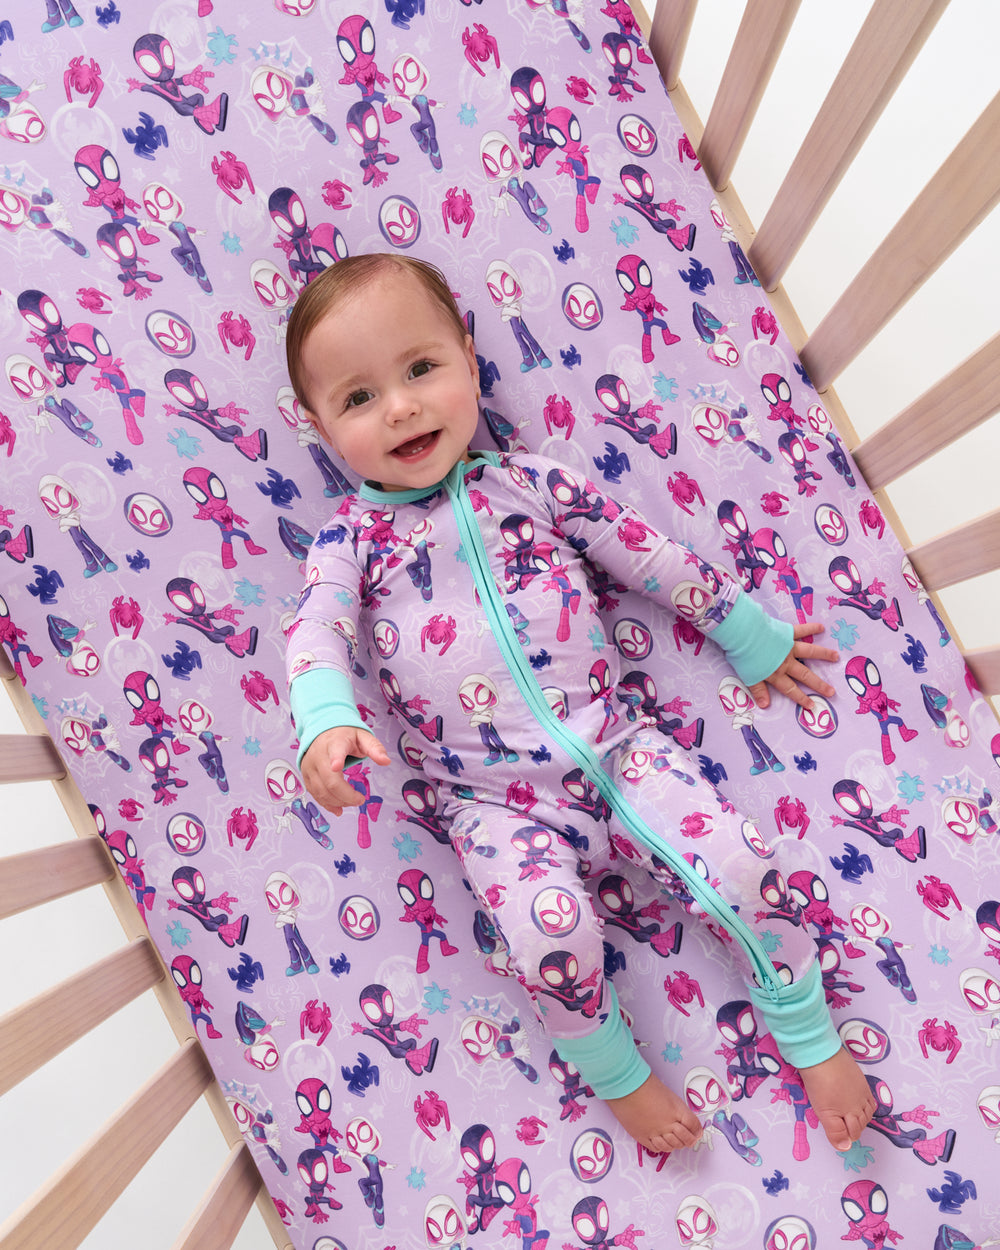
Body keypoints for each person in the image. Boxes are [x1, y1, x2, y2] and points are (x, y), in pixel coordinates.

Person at [283, 252, 876, 1157]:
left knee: (740, 866)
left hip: (620, 748)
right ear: (319, 426)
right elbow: (316, 633)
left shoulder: (530, 483)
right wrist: (325, 721)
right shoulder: (347, 542)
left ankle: (808, 1034)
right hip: (492, 804)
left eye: (420, 369)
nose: (400, 407)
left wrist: (748, 633)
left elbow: (647, 554)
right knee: (544, 938)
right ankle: (622, 1079)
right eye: (358, 400)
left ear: (470, 361)